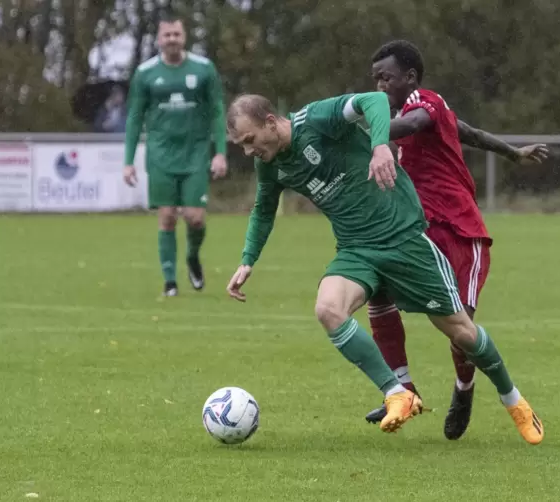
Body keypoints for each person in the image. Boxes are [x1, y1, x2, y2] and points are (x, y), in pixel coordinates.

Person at [225, 91, 543, 444]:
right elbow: (264, 209)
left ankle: (512, 399)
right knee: (329, 309)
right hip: (356, 250)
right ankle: (398, 393)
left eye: (249, 140)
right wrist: (247, 260)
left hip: (404, 240)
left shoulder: (316, 120)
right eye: (240, 145)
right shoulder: (269, 164)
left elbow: (373, 100)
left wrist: (379, 146)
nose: (248, 150)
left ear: (270, 122)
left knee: (462, 333)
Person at [363, 40, 548, 440]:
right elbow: (470, 133)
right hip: (418, 230)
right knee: (377, 290)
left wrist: (364, 127)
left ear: (409, 78)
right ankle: (403, 390)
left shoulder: (424, 102)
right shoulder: (408, 110)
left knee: (459, 327)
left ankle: (465, 388)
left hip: (461, 231)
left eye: (386, 78)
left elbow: (414, 126)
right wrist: (513, 153)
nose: (379, 86)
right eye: (375, 78)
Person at [123, 13, 228, 296]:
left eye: (176, 35)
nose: (172, 40)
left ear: (184, 37)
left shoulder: (204, 69)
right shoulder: (145, 73)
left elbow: (217, 111)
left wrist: (220, 153)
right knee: (167, 216)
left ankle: (192, 257)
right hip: (160, 155)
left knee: (195, 218)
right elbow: (134, 117)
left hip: (195, 153)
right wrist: (128, 161)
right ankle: (170, 281)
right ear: (159, 39)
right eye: (167, 35)